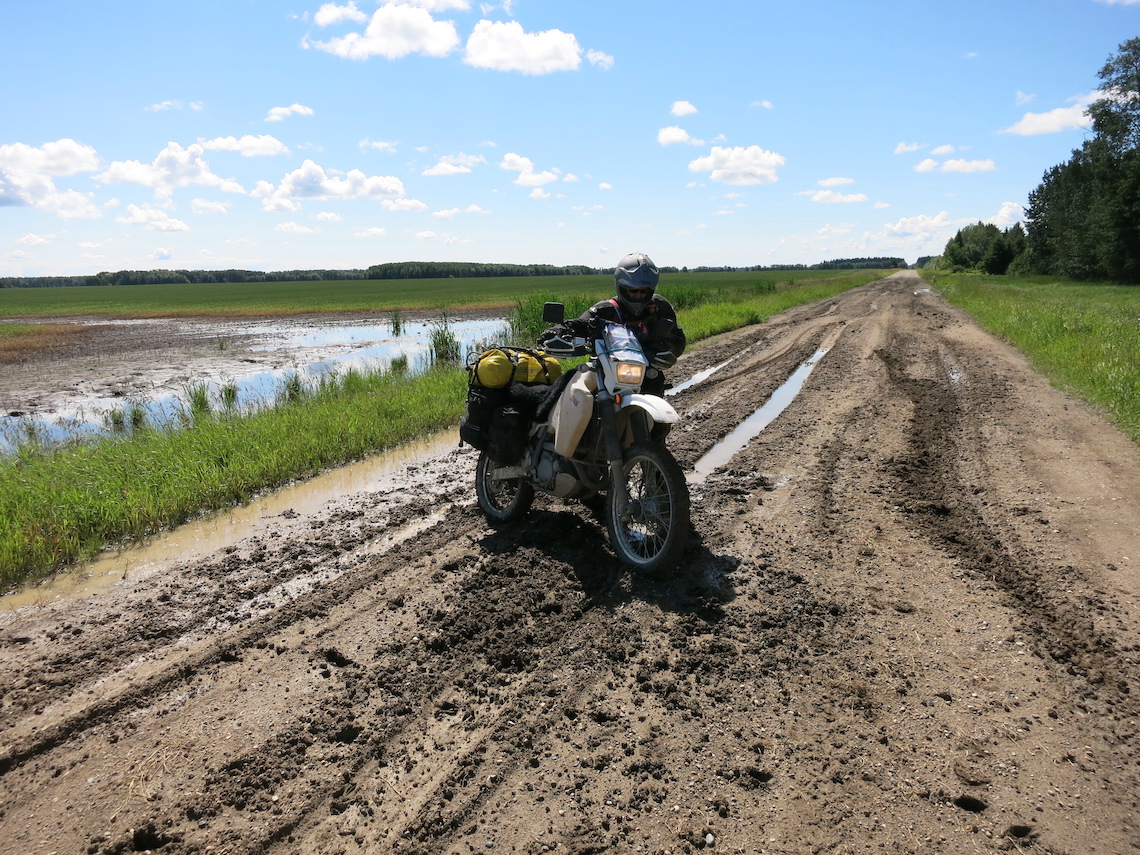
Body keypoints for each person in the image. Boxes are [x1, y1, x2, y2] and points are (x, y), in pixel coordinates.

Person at [539, 252, 686, 395]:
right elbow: (580, 324)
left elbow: (678, 338)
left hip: (648, 375)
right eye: (633, 291)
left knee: (661, 413)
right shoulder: (605, 310)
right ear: (621, 287)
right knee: (576, 393)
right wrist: (556, 333)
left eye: (644, 291)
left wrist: (665, 349)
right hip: (606, 375)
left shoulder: (659, 308)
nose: (638, 296)